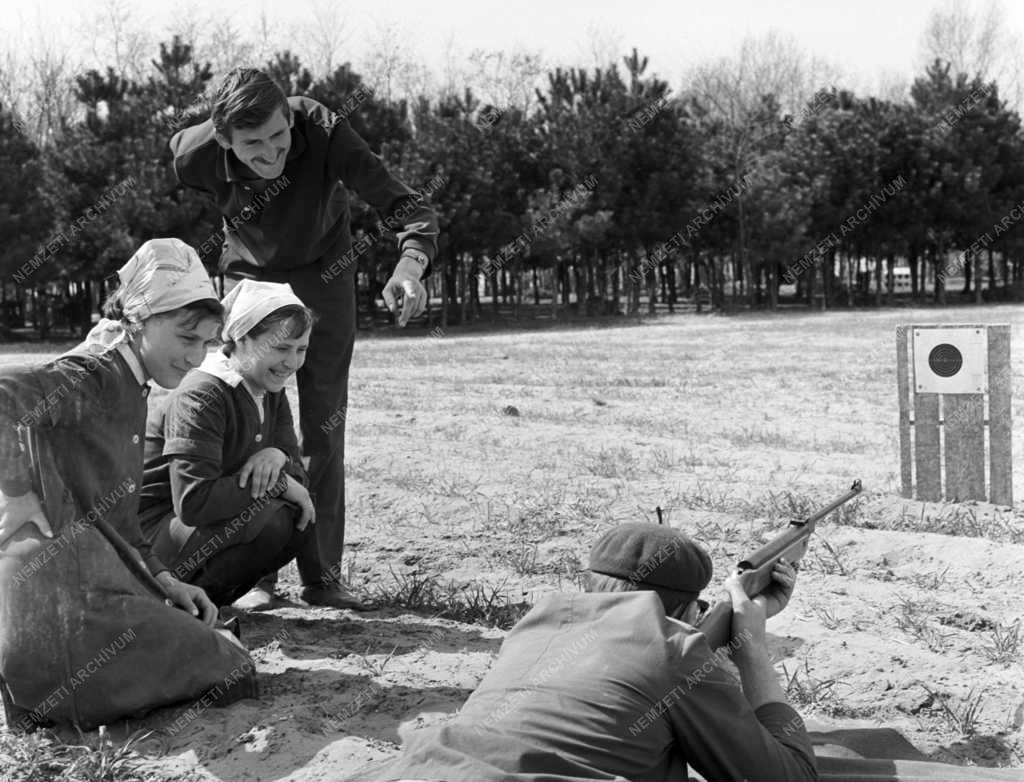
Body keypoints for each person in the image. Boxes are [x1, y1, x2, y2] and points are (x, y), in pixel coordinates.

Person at [170, 68, 439, 611]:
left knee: (322, 426)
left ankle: (322, 577)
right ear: (223, 140)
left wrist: (410, 265)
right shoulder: (192, 154)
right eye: (252, 145)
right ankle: (259, 565)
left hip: (324, 272)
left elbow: (409, 208)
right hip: (250, 278)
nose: (269, 153)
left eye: (279, 136)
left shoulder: (322, 126)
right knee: (242, 418)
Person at [0, 238, 257, 731]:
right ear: (138, 321)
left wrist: (166, 580)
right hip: (62, 602)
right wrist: (16, 491)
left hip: (73, 588)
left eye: (206, 342)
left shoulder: (127, 377)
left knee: (210, 634)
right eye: (186, 338)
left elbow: (119, 522)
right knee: (231, 666)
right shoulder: (96, 373)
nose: (196, 357)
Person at [349, 522, 817, 782]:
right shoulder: (675, 647)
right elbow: (785, 778)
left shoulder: (535, 626)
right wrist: (750, 641)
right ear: (687, 608)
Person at [139, 279, 316, 609]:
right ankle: (171, 604)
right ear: (240, 338)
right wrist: (279, 482)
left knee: (297, 519)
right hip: (149, 539)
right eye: (280, 348)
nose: (292, 362)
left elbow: (298, 475)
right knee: (275, 518)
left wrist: (277, 455)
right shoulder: (202, 395)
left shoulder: (269, 388)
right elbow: (193, 503)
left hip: (197, 523)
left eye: (301, 349)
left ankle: (203, 604)